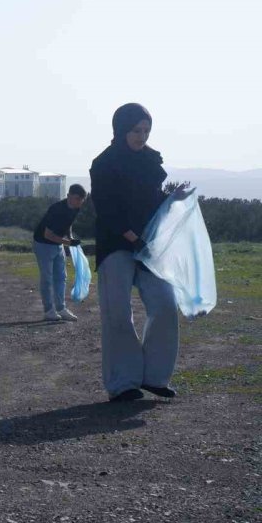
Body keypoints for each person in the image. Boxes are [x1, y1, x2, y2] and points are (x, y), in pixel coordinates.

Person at [90, 103, 180, 403]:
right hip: (116, 244)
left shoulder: (151, 161)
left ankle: (154, 377)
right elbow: (107, 210)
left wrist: (174, 199)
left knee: (165, 305)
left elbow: (153, 201)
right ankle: (124, 382)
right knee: (118, 313)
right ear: (121, 130)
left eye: (146, 131)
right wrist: (132, 238)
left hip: (149, 246)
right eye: (136, 131)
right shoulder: (103, 163)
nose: (142, 136)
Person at [32, 184, 87, 322]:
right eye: (77, 198)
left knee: (61, 277)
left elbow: (69, 223)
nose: (79, 202)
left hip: (58, 244)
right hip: (43, 244)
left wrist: (70, 237)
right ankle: (49, 311)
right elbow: (48, 234)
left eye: (82, 199)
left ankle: (61, 308)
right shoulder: (56, 209)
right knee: (47, 278)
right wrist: (68, 243)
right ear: (68, 196)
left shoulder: (76, 208)